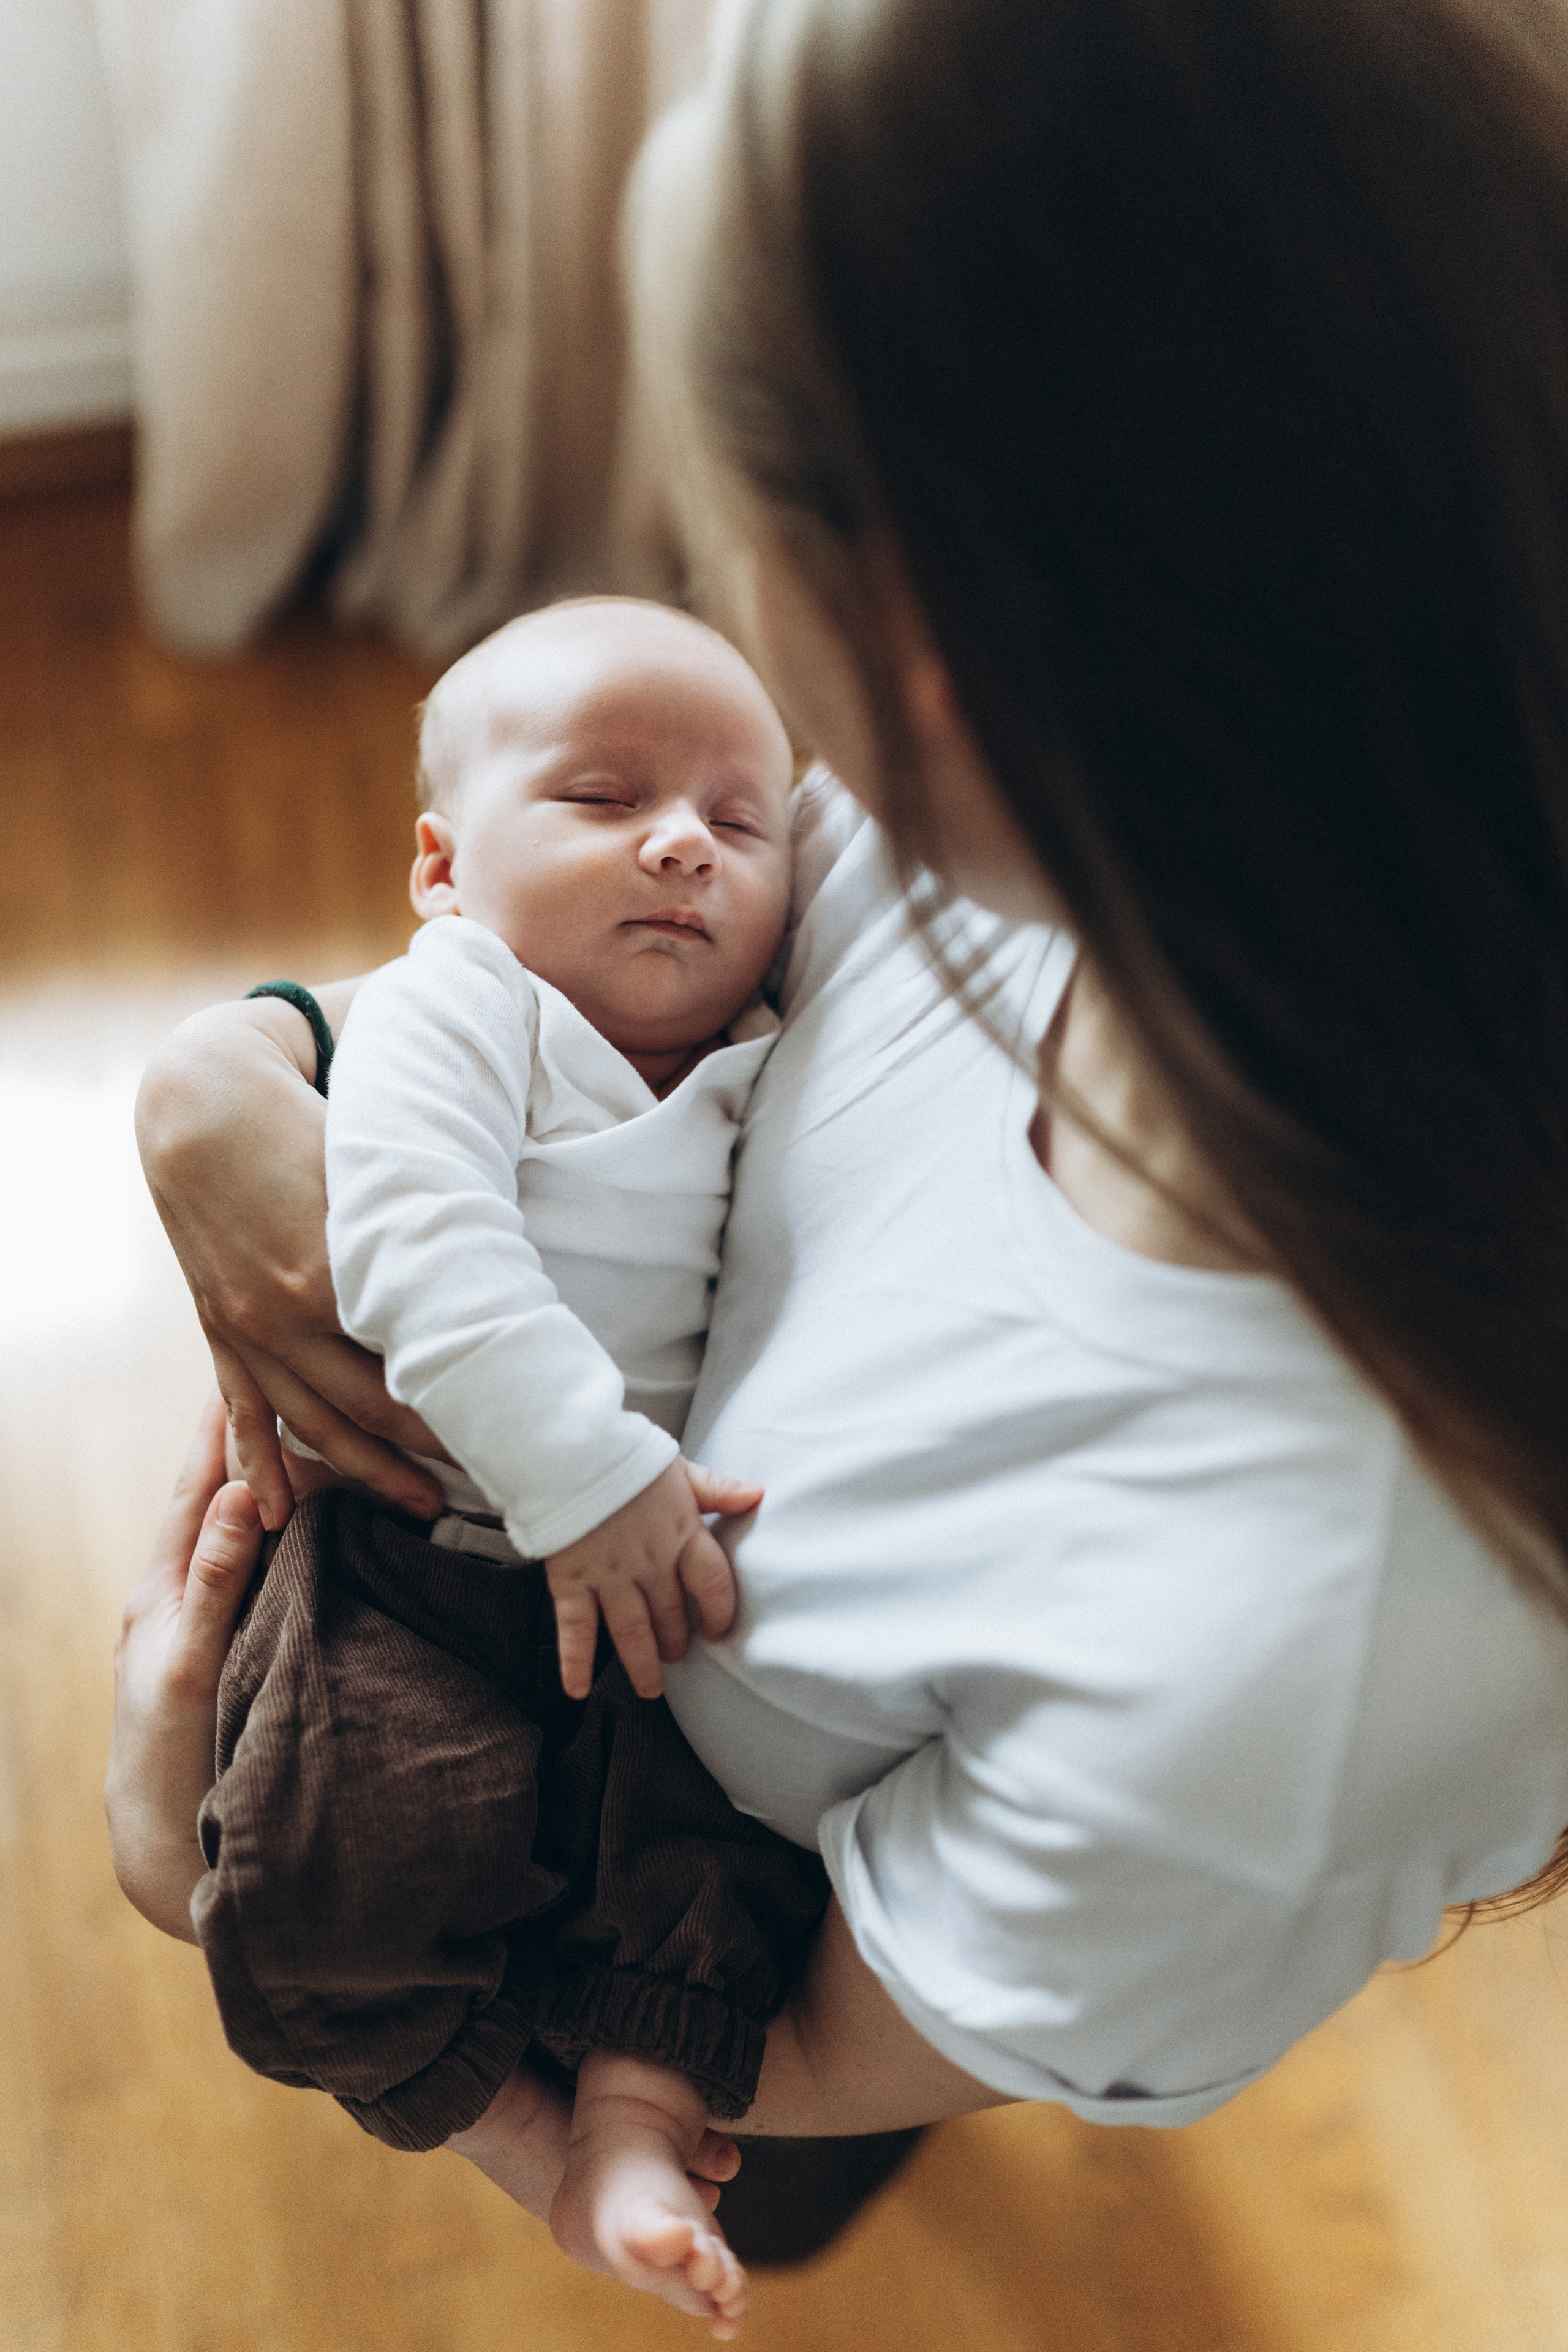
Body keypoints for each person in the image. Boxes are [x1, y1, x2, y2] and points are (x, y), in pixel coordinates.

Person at [111, 0, 1568, 2319]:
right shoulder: (1033, 825)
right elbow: (539, 1012)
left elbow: (780, 2043)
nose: (704, 816)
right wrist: (233, 1075)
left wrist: (229, 1889)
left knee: (785, 2182)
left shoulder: (1296, 1659)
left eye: (729, 537)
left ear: (942, 653)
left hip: (716, 1947)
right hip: (669, 1742)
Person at [195, 595, 836, 2339]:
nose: (685, 843)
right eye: (605, 797)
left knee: (722, 1850)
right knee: (354, 1841)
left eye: (738, 817)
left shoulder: (765, 1049)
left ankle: (632, 2128)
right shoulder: (461, 1007)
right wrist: (589, 1475)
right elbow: (416, 1245)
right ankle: (513, 2131)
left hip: (648, 1572)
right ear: (442, 867)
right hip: (435, 1546)